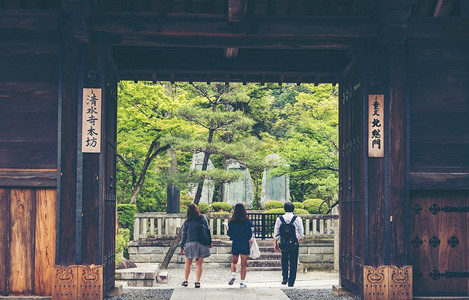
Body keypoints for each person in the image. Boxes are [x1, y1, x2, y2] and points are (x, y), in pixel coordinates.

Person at [179, 203, 212, 288]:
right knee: (199, 264)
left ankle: (186, 281)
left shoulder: (187, 221)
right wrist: (209, 242)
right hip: (202, 243)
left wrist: (182, 246)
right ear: (197, 210)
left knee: (188, 264)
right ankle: (197, 282)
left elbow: (184, 234)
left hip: (190, 243)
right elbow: (207, 230)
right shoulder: (202, 218)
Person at [273, 202, 304, 287]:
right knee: (293, 262)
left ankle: (284, 278)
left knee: (284, 261)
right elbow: (301, 233)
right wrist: (298, 240)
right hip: (294, 243)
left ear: (284, 209)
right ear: (293, 209)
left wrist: (275, 243)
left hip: (283, 243)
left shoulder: (280, 219)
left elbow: (276, 233)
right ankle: (291, 282)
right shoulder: (297, 219)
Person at [227, 203, 253, 288]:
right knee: (243, 265)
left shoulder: (231, 222)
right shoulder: (247, 222)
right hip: (245, 243)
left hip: (236, 242)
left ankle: (233, 274)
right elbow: (250, 234)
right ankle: (242, 282)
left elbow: (229, 233)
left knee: (234, 261)